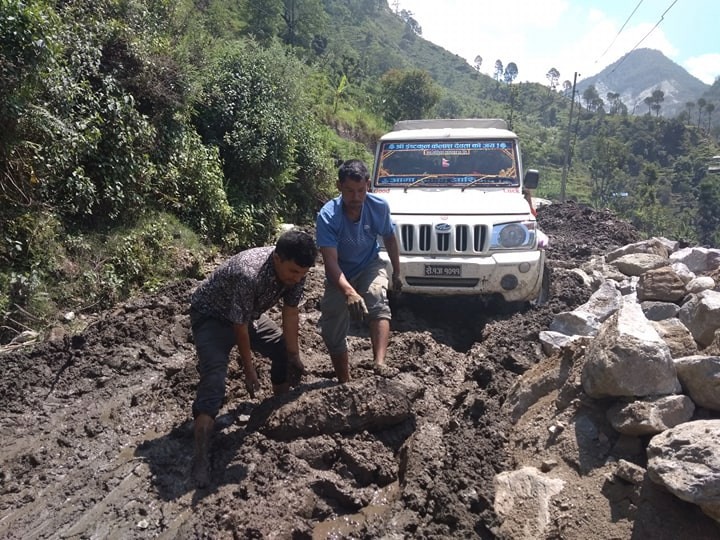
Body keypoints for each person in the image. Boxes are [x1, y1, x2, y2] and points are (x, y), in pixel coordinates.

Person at [188, 229, 317, 488]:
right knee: (214, 377)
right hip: (212, 316)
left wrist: (293, 354)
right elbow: (240, 328)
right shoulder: (249, 273)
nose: (297, 278)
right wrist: (249, 370)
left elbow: (290, 313)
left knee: (281, 348)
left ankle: (279, 407)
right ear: (278, 258)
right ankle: (200, 457)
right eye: (293, 272)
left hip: (250, 315)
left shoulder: (297, 271)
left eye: (302, 274)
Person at [316, 159, 402, 383]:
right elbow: (330, 262)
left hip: (368, 264)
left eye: (361, 191)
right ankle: (344, 381)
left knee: (376, 298)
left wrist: (397, 273)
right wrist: (348, 291)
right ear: (339, 187)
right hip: (340, 271)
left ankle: (380, 363)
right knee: (331, 325)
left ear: (368, 185)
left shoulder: (379, 207)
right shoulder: (328, 216)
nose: (355, 198)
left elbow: (390, 238)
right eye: (349, 191)